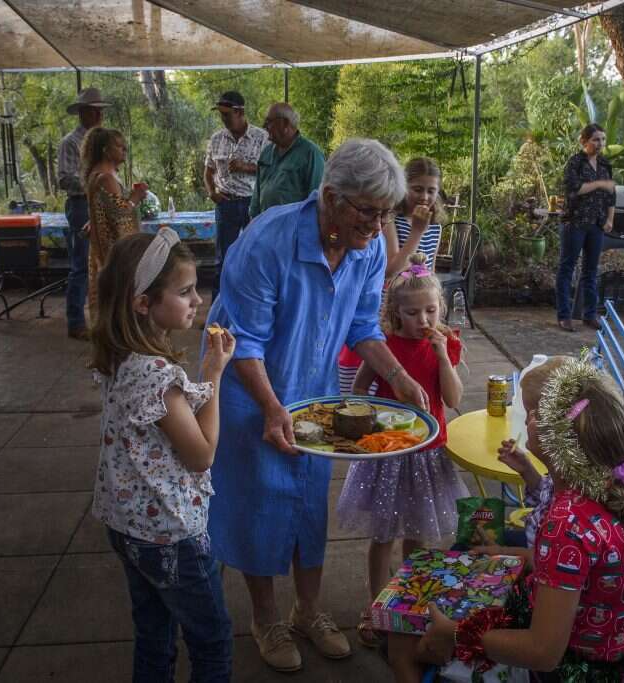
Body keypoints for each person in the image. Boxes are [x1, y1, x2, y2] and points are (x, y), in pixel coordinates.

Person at [203, 139, 429, 673]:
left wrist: (397, 375)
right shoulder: (266, 242)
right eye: (368, 212)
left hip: (314, 388)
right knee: (260, 500)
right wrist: (272, 408)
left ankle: (308, 610)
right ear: (330, 196)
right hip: (248, 386)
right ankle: (265, 618)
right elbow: (244, 341)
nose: (377, 227)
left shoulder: (368, 246)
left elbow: (361, 325)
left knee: (307, 500)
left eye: (385, 214)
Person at [387, 358, 624, 682]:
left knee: (401, 639)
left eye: (537, 415)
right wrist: (516, 556)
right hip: (587, 644)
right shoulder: (604, 487)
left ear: (561, 447)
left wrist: (454, 634)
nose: (528, 418)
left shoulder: (566, 525)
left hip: (561, 670)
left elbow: (542, 652)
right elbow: (579, 574)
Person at [89, 229, 236, 681]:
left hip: (127, 525)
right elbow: (202, 454)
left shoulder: (119, 358)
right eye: (185, 291)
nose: (197, 301)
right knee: (212, 641)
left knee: (153, 634)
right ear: (142, 303)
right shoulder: (157, 375)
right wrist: (213, 375)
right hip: (170, 534)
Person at [336, 253, 469, 648]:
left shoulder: (447, 345)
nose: (423, 321)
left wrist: (444, 355)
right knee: (383, 534)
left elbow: (454, 396)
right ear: (395, 314)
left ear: (440, 308)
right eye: (412, 313)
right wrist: (372, 420)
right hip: (390, 456)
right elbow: (359, 389)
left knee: (418, 533)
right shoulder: (385, 347)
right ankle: (376, 606)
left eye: (430, 311)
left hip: (429, 454)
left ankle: (410, 600)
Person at [337, 157, 448, 394]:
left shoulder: (435, 226)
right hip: (390, 307)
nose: (425, 197)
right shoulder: (389, 220)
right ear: (403, 188)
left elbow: (430, 271)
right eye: (417, 189)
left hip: (415, 309)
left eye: (431, 191)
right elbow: (391, 269)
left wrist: (433, 309)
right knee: (375, 368)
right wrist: (417, 231)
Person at [494, 355, 572, 550]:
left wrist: (500, 553)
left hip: (538, 563)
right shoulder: (572, 472)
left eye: (533, 413)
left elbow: (543, 565)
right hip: (537, 543)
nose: (527, 421)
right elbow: (549, 495)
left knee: (462, 548)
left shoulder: (568, 522)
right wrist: (528, 471)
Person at [204, 91, 268, 300]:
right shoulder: (216, 139)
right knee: (223, 259)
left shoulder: (262, 137)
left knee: (256, 255)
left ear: (240, 112)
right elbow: (208, 171)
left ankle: (250, 307)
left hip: (254, 204)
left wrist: (246, 166)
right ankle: (217, 311)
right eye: (221, 114)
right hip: (226, 203)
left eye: (227, 114)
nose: (223, 119)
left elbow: (271, 169)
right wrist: (212, 192)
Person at [58, 87, 111, 340]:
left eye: (100, 111)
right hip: (80, 205)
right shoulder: (70, 142)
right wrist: (94, 183)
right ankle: (76, 321)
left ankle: (102, 319)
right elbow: (64, 179)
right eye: (94, 111)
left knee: (103, 262)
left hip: (101, 203)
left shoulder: (103, 139)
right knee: (81, 263)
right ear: (83, 113)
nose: (99, 115)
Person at [81, 128, 147, 315]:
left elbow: (103, 210)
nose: (124, 149)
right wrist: (136, 197)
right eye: (119, 146)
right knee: (118, 301)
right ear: (105, 150)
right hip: (114, 251)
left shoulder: (96, 175)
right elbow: (121, 217)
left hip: (101, 248)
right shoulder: (106, 178)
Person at [556, 124, 615, 333]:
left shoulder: (605, 164)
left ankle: (589, 314)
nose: (600, 144)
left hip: (597, 224)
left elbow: (611, 195)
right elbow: (576, 188)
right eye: (596, 140)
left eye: (603, 140)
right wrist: (599, 184)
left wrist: (610, 219)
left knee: (591, 270)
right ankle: (564, 315)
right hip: (575, 222)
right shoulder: (575, 163)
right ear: (584, 141)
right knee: (567, 268)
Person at [248, 102, 325, 219]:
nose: (264, 126)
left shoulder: (310, 153)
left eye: (269, 122)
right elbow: (257, 195)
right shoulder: (266, 152)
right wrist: (253, 220)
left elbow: (316, 200)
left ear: (284, 124)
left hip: (292, 230)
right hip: (265, 226)